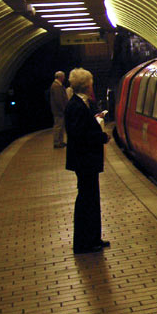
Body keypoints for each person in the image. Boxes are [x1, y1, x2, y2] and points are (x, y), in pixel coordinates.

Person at [64, 67, 111, 254]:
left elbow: (83, 128)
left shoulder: (81, 104)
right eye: (91, 83)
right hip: (84, 161)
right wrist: (102, 137)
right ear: (86, 85)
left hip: (86, 160)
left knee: (91, 199)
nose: (92, 86)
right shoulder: (76, 106)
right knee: (86, 201)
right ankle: (84, 243)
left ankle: (93, 238)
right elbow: (80, 135)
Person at [49, 71, 69, 148]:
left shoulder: (58, 85)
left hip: (60, 110)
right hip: (59, 111)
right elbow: (58, 99)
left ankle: (60, 141)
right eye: (63, 77)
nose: (64, 78)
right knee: (58, 126)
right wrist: (63, 109)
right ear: (60, 77)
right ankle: (57, 142)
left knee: (61, 126)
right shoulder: (56, 86)